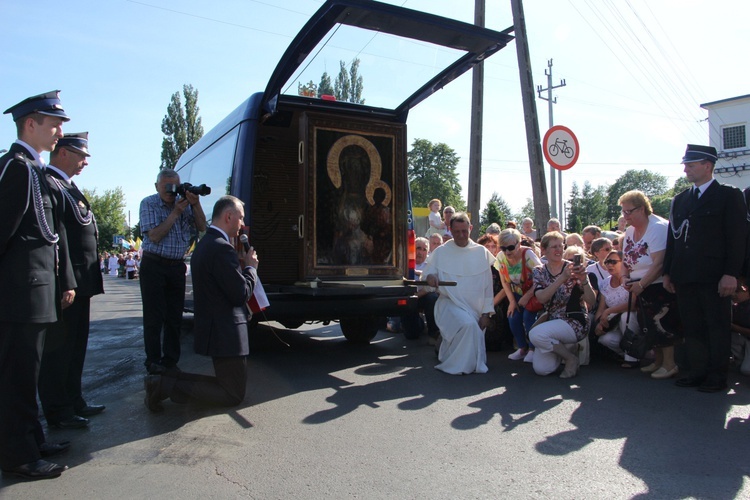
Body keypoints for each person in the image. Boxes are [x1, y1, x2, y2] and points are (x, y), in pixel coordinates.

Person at [0, 91, 75, 480]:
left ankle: (32, 439)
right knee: (17, 379)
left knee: (29, 376)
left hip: (34, 292)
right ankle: (17, 454)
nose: (60, 130)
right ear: (30, 123)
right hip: (19, 295)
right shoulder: (16, 168)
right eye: (53, 123)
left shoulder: (33, 169)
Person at [144, 196, 258, 411]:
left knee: (228, 387)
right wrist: (251, 268)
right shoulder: (221, 248)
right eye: (241, 218)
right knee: (232, 393)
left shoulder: (207, 244)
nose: (242, 224)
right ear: (228, 216)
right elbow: (239, 293)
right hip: (226, 331)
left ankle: (164, 381)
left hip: (218, 329)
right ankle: (163, 385)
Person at [664, 144, 747, 392]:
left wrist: (731, 273)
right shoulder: (681, 200)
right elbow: (673, 238)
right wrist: (668, 271)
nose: (686, 169)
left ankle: (717, 376)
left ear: (707, 166)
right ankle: (697, 371)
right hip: (686, 275)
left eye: (691, 164)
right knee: (693, 327)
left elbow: (737, 237)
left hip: (715, 276)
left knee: (717, 326)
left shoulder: (729, 195)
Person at [39, 132, 106, 431]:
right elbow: (57, 240)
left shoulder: (68, 187)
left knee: (76, 347)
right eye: (81, 156)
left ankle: (74, 399)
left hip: (81, 283)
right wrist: (66, 280)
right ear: (63, 153)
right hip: (67, 284)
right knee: (59, 351)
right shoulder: (49, 183)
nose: (85, 162)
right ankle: (58, 409)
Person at [139, 169, 207, 375]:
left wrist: (195, 204)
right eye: (166, 187)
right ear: (156, 186)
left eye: (174, 187)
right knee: (154, 317)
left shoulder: (184, 203)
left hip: (176, 266)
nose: (171, 192)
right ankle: (153, 360)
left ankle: (170, 361)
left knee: (174, 317)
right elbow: (155, 236)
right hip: (154, 265)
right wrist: (175, 213)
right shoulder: (149, 203)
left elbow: (202, 226)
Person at [423, 212, 495, 375]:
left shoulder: (481, 253)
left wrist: (486, 314)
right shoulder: (441, 252)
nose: (461, 235)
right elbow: (427, 275)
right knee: (468, 326)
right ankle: (459, 366)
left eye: (465, 231)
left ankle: (447, 354)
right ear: (450, 229)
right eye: (457, 232)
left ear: (470, 228)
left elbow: (488, 287)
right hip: (450, 304)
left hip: (475, 309)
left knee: (470, 330)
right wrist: (431, 277)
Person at [619, 190, 681, 378]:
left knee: (662, 323)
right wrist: (624, 278)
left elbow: (659, 263)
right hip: (638, 285)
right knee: (647, 325)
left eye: (629, 211)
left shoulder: (658, 227)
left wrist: (642, 284)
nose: (625, 216)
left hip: (657, 285)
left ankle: (670, 364)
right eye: (623, 212)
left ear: (642, 208)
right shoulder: (629, 231)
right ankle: (658, 361)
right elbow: (625, 260)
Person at [529, 232, 596, 378]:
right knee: (542, 369)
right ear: (544, 250)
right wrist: (562, 278)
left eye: (561, 246)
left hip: (574, 321)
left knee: (535, 334)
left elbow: (591, 301)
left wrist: (584, 280)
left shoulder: (572, 268)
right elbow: (541, 298)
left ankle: (571, 359)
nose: (558, 250)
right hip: (552, 322)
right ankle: (566, 348)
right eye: (554, 247)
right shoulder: (539, 271)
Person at [496, 228, 541, 363]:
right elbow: (504, 281)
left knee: (528, 317)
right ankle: (522, 348)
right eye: (503, 248)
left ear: (518, 244)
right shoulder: (501, 257)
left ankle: (533, 349)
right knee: (513, 317)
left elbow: (542, 277)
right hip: (516, 292)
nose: (507, 251)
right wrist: (511, 301)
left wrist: (528, 296)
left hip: (533, 291)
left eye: (510, 247)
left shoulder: (528, 255)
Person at [592, 251, 639, 365]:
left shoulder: (631, 278)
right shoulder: (605, 282)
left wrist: (609, 311)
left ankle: (631, 359)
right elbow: (601, 308)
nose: (609, 265)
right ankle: (631, 353)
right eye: (607, 262)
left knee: (625, 316)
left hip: (633, 319)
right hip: (615, 323)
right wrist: (598, 323)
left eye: (613, 262)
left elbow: (633, 305)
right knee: (605, 339)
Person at [401, 237, 439, 343]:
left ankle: (434, 333)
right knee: (411, 335)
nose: (420, 252)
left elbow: (431, 288)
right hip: (407, 299)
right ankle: (419, 325)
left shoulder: (431, 266)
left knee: (433, 298)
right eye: (418, 248)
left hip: (422, 297)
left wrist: (416, 296)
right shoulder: (404, 263)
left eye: (424, 249)